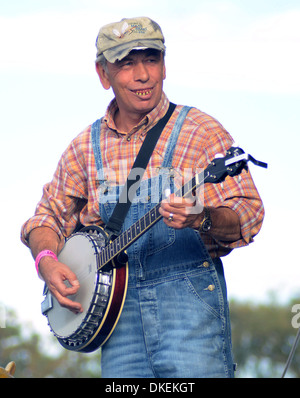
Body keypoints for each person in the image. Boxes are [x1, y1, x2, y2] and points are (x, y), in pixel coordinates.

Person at [21, 17, 264, 378]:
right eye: (126, 64)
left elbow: (248, 213)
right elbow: (45, 219)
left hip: (189, 317)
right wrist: (46, 261)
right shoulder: (83, 148)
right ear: (103, 75)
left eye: (151, 59)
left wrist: (201, 217)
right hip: (119, 326)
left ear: (164, 66)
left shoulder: (199, 131)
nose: (143, 75)